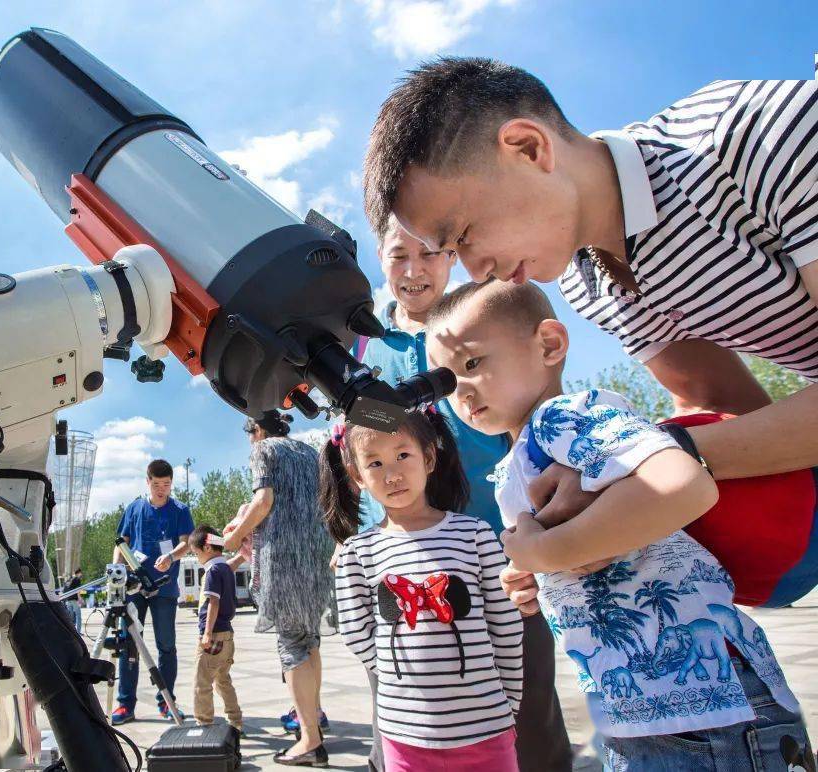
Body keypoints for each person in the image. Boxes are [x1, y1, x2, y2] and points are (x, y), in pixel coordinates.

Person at [361, 60, 818, 610]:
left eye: (464, 234)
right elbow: (720, 405)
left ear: (529, 148)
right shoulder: (584, 277)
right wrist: (595, 528)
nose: (476, 270)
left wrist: (632, 466)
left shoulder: (756, 136)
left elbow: (694, 447)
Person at [426, 279, 810, 769]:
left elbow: (684, 482)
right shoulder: (521, 459)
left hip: (706, 715)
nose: (462, 391)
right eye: (447, 381)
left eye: (473, 364)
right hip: (651, 712)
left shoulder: (563, 419)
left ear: (549, 344)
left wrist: (546, 552)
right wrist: (537, 573)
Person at [345, 213, 569, 772]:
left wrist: (544, 537)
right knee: (402, 727)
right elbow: (362, 445)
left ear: (451, 257)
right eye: (399, 256)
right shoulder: (366, 350)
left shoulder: (484, 325)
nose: (414, 270)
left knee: (529, 720)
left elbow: (528, 424)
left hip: (503, 564)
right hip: (404, 574)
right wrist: (354, 542)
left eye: (429, 253)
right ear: (380, 261)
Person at [325, 409, 522, 771]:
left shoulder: (475, 534)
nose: (392, 474)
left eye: (403, 455)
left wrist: (510, 701)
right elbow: (355, 631)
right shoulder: (358, 551)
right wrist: (399, 677)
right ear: (357, 476)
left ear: (429, 457)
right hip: (403, 735)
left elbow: (506, 626)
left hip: (487, 727)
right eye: (375, 463)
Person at [223, 411, 334, 766]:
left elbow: (264, 501)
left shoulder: (263, 449)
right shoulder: (309, 452)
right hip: (317, 556)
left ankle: (310, 741)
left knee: (291, 645)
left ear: (256, 430)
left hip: (284, 560)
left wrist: (236, 536)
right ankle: (313, 716)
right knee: (310, 640)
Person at [111, 458, 195, 725]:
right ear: (147, 481)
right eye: (156, 484)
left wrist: (171, 557)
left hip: (164, 590)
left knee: (166, 646)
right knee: (129, 645)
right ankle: (125, 704)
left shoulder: (180, 510)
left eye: (166, 484)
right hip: (134, 588)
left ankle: (167, 702)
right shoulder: (134, 508)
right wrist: (115, 572)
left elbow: (186, 543)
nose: (161, 489)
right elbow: (122, 543)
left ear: (172, 483)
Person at [187, 525, 243, 733]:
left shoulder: (212, 571)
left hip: (214, 636)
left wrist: (207, 634)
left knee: (201, 683)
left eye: (196, 553)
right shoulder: (226, 569)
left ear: (207, 548)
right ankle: (235, 721)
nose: (197, 558)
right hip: (227, 635)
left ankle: (204, 723)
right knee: (223, 680)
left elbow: (213, 602)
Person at [61, 568, 83, 632]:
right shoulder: (77, 579)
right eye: (81, 573)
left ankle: (71, 631)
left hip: (68, 600)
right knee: (78, 616)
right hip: (74, 599)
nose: (81, 574)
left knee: (70, 617)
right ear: (79, 573)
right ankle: (78, 632)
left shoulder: (69, 579)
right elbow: (78, 589)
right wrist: (80, 598)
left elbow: (65, 589)